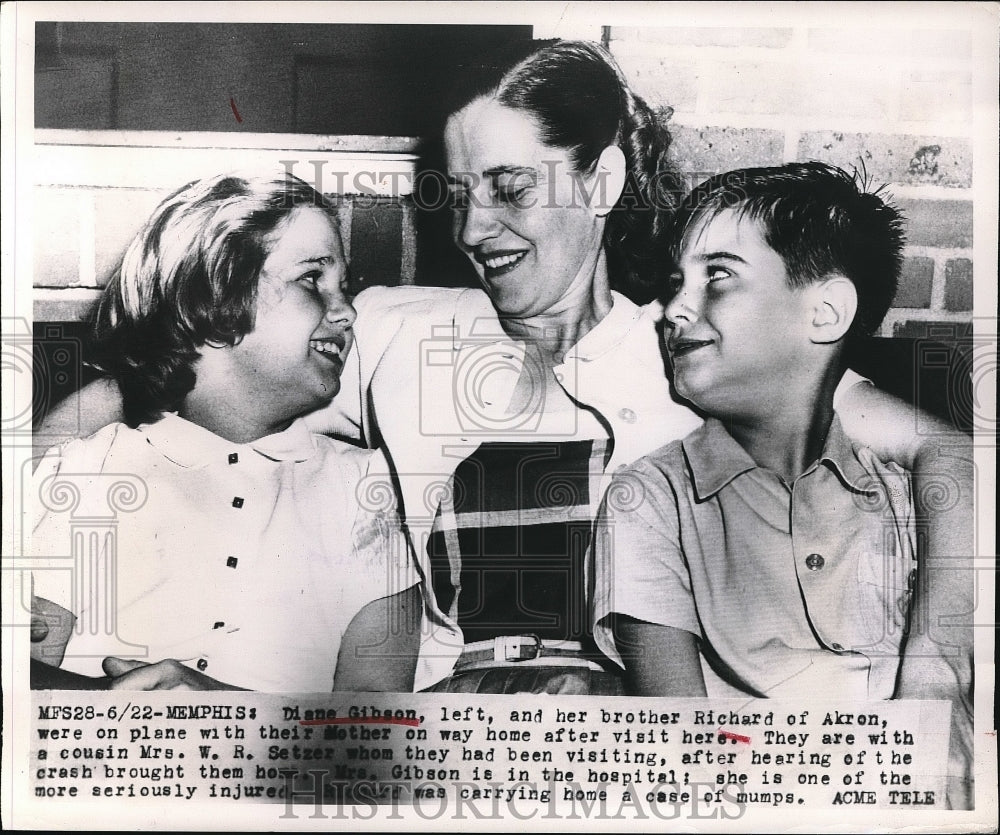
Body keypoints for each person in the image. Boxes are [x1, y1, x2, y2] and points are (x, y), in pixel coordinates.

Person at [35, 41, 973, 696]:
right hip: (443, 732)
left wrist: (934, 661)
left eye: (511, 188)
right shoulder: (399, 330)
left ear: (600, 183)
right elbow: (158, 379)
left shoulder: (700, 355)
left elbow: (950, 455)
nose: (476, 230)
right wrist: (28, 511)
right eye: (463, 194)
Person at [592, 162, 973, 807]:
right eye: (675, 283)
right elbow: (674, 744)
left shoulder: (908, 497)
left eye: (718, 275)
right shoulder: (651, 498)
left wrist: (935, 692)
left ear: (824, 312)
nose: (673, 309)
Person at [30, 171, 421, 692]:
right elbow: (22, 676)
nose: (347, 311)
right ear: (212, 299)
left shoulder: (364, 490)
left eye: (344, 288)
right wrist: (104, 705)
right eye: (312, 279)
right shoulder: (89, 471)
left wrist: (222, 710)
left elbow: (379, 723)